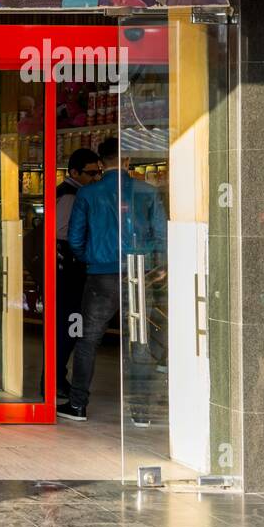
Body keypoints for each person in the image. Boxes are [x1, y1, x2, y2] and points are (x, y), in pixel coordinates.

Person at [62, 137, 165, 423]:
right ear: (128, 161)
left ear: (100, 162)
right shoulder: (147, 191)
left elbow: (74, 240)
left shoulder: (88, 194)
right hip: (138, 274)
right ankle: (141, 412)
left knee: (88, 341)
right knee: (140, 340)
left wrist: (94, 258)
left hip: (100, 276)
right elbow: (162, 237)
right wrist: (155, 268)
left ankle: (78, 405)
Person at [54, 148, 102, 398]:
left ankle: (56, 378)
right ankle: (56, 380)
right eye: (90, 173)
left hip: (68, 270)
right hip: (68, 272)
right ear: (74, 172)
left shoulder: (70, 192)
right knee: (68, 327)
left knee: (68, 327)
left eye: (98, 172)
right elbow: (62, 233)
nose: (95, 178)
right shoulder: (71, 196)